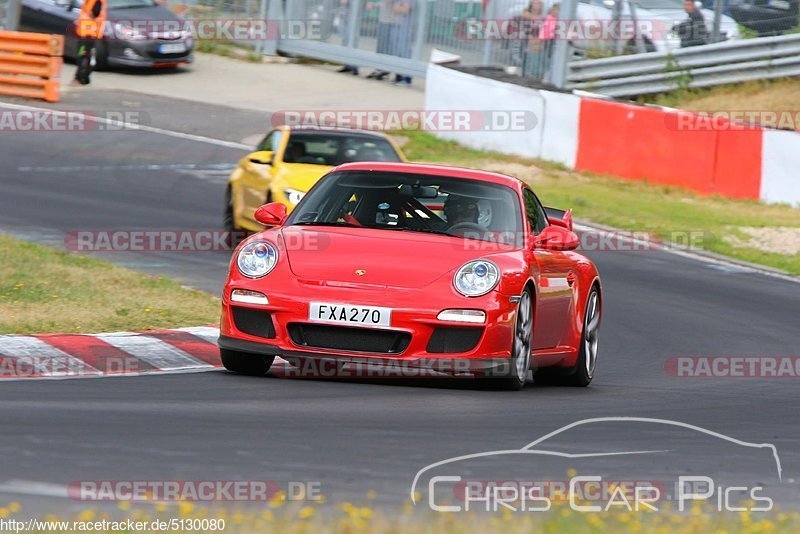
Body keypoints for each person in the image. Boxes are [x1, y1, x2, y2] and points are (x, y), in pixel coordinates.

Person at [74, 0, 107, 85]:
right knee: (85, 56)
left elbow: (95, 13)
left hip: (88, 34)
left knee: (82, 56)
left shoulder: (96, 1)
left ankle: (82, 78)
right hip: (88, 34)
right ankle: (80, 77)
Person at [337, 0, 360, 75]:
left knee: (353, 42)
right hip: (344, 15)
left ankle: (354, 66)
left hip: (354, 17)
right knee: (345, 41)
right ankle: (347, 65)